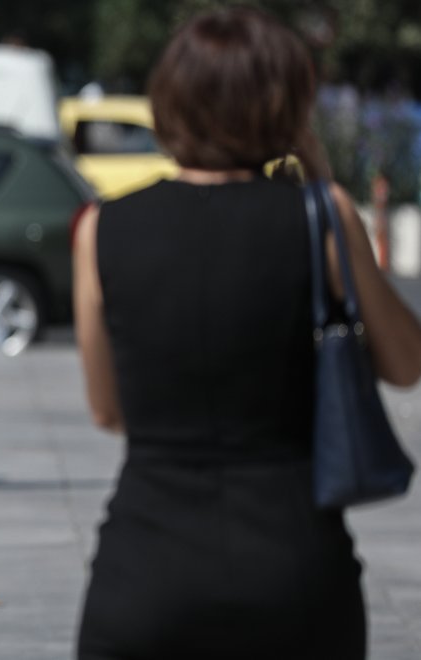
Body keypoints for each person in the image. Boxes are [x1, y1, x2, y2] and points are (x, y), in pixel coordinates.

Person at [73, 9, 421, 660]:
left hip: (147, 564)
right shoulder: (321, 216)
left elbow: (107, 409)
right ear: (286, 107)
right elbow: (406, 364)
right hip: (294, 565)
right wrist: (320, 182)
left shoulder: (101, 228)